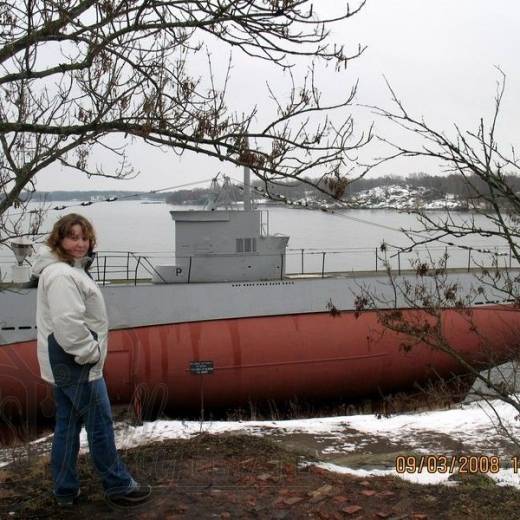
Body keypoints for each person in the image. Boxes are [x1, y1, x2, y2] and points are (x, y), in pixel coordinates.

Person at [32, 213, 151, 508]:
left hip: (61, 363)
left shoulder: (65, 270)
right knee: (100, 425)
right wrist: (91, 353)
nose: (80, 243)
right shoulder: (62, 275)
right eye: (72, 237)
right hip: (76, 363)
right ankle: (118, 486)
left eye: (84, 237)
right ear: (59, 239)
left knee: (68, 427)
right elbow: (69, 325)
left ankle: (65, 491)